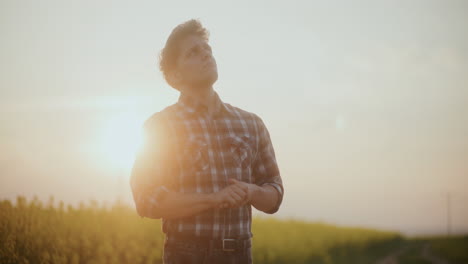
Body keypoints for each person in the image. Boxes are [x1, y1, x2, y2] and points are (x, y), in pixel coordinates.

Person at [130, 19, 284, 264]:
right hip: (186, 254)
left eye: (207, 49)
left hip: (240, 255)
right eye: (193, 52)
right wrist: (214, 199)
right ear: (175, 75)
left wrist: (251, 192)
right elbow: (147, 200)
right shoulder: (160, 127)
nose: (206, 55)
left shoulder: (251, 123)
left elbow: (275, 193)